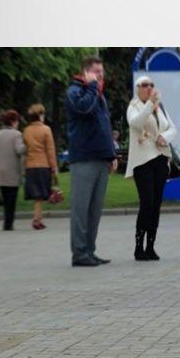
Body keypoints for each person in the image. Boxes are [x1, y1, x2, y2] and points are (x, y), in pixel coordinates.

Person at [65, 55, 117, 267]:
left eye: (102, 73)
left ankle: (90, 250)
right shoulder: (75, 92)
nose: (100, 77)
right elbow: (83, 109)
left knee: (94, 210)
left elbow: (104, 128)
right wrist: (93, 86)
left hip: (100, 158)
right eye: (96, 73)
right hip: (84, 158)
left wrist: (111, 154)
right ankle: (79, 252)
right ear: (86, 72)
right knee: (81, 209)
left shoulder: (98, 95)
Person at [125, 75, 177, 261]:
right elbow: (136, 123)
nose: (149, 88)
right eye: (145, 85)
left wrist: (165, 137)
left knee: (156, 204)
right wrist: (149, 105)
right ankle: (139, 247)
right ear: (138, 88)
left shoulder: (159, 107)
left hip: (160, 158)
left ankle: (151, 246)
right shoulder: (134, 106)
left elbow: (172, 128)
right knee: (146, 203)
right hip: (142, 160)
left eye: (151, 85)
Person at [22, 103, 59, 230]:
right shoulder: (46, 130)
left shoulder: (26, 130)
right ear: (40, 115)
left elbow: (25, 149)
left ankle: (38, 217)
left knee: (37, 195)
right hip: (43, 165)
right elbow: (50, 150)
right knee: (40, 195)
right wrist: (54, 167)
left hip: (30, 166)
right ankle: (37, 219)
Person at [0, 109, 26, 231]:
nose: (18, 123)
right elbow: (19, 150)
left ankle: (6, 222)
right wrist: (28, 144)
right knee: (11, 200)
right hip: (12, 172)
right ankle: (8, 224)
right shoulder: (16, 134)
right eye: (17, 120)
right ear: (13, 121)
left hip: (0, 172)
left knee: (5, 198)